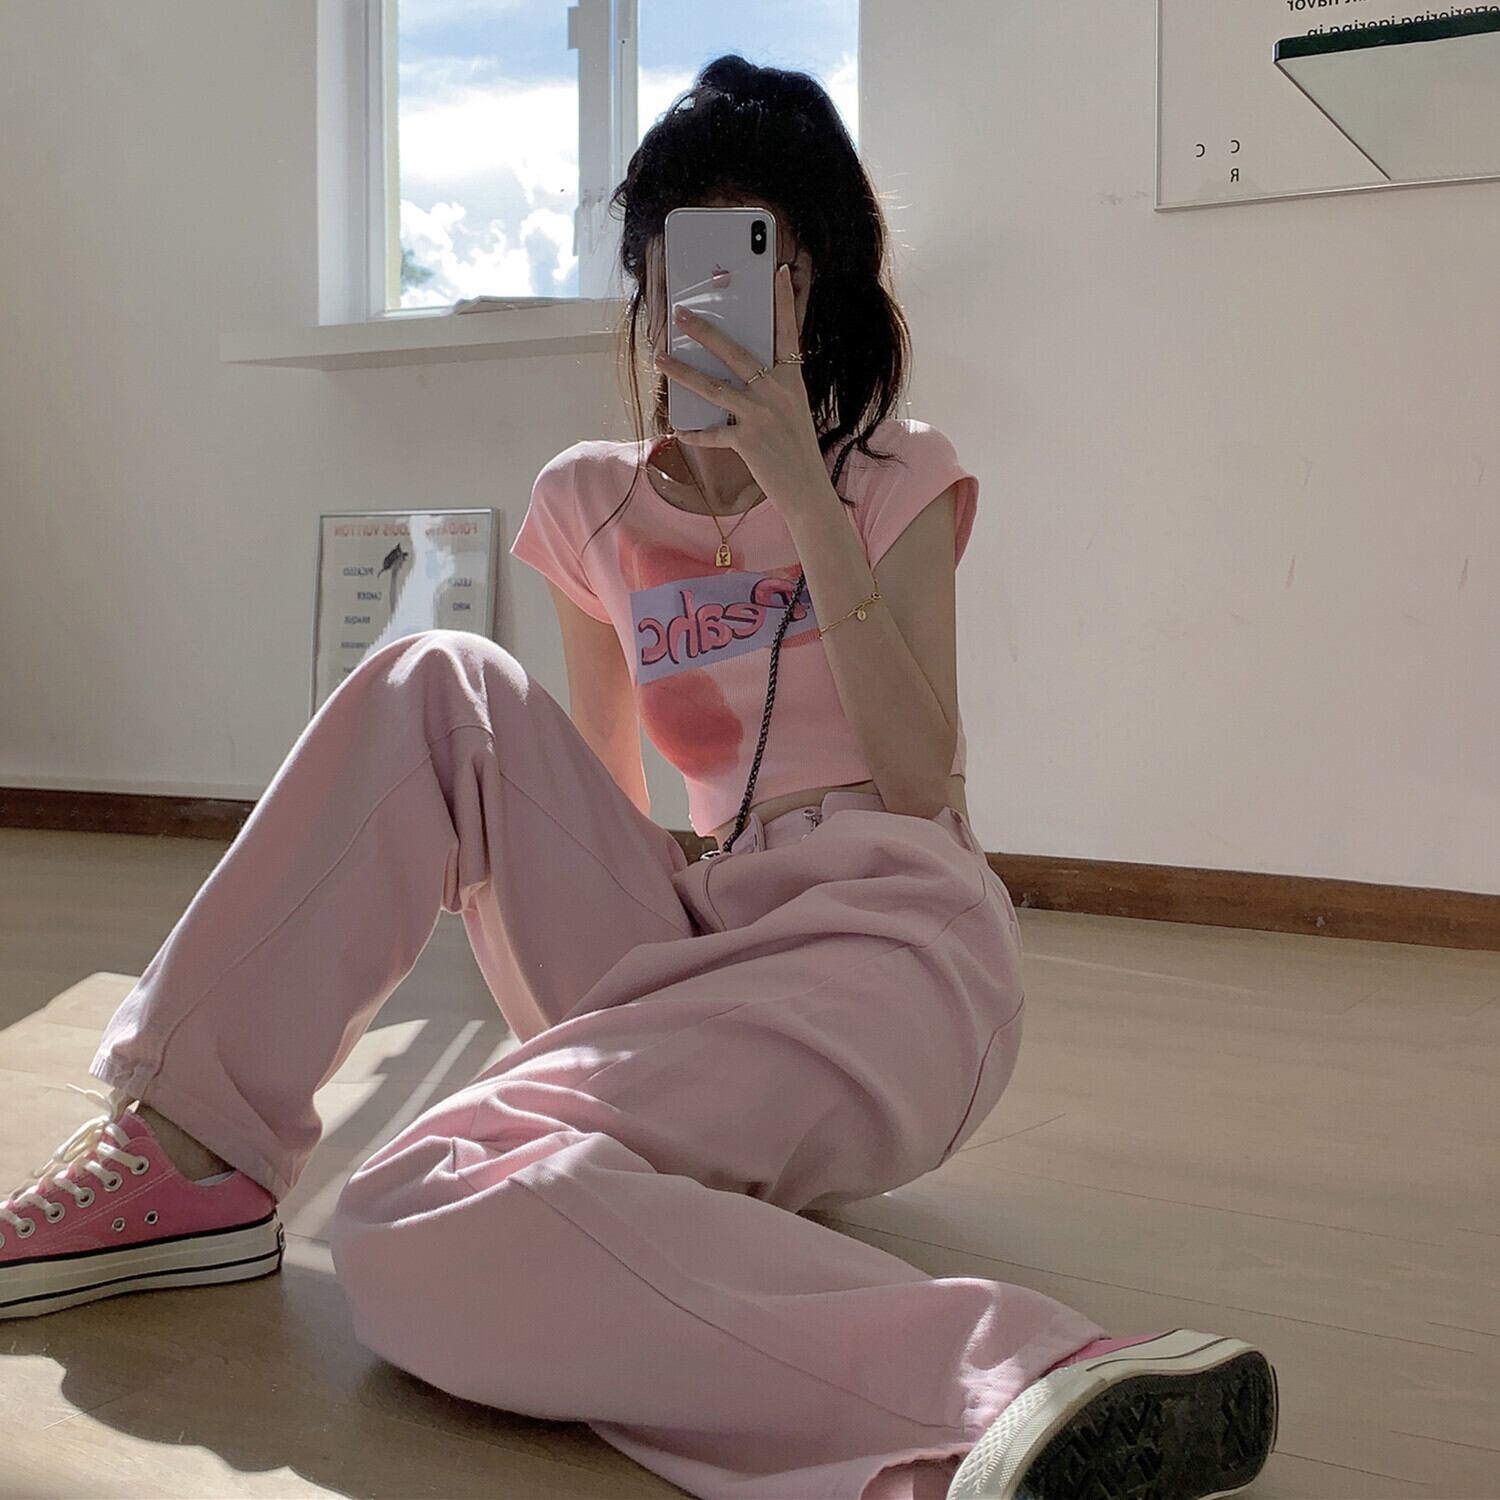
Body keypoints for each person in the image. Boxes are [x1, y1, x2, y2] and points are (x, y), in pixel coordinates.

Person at [0, 54, 1276, 1500]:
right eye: (686, 247)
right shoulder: (589, 501)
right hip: (701, 933)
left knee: (417, 1203)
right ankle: (191, 1146)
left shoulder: (896, 476)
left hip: (890, 936)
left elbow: (926, 778)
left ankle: (1014, 1385)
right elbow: (600, 815)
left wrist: (801, 487)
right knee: (437, 683)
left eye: (766, 250)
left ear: (814, 282)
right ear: (650, 275)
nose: (719, 287)